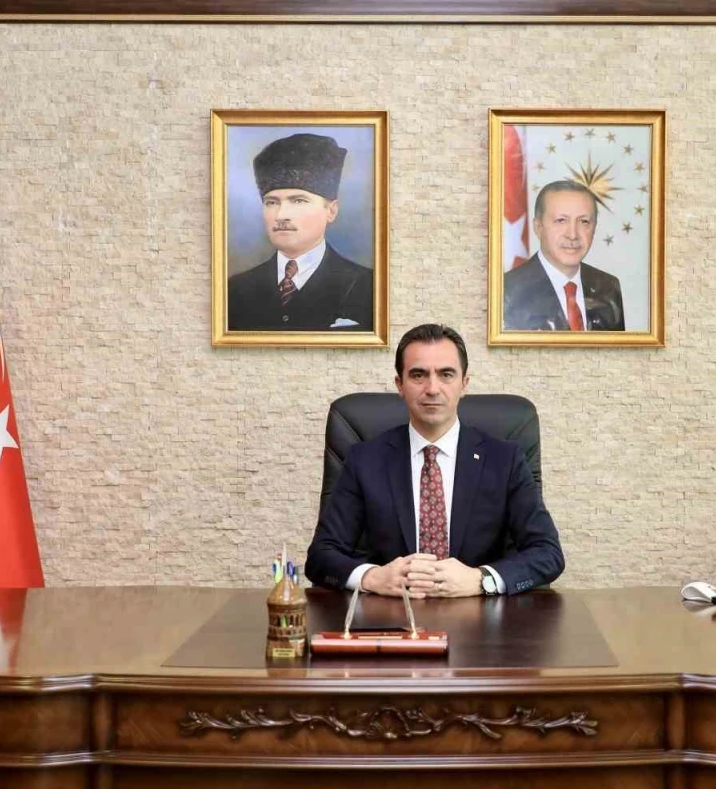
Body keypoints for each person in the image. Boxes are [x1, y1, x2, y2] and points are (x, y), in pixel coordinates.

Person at [305, 324, 565, 597]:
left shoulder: (505, 460)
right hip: (391, 614)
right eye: (418, 375)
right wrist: (372, 577)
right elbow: (321, 556)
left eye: (446, 374)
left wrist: (481, 579)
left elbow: (547, 553)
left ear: (464, 384)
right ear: (400, 385)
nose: (432, 388)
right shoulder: (364, 460)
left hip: (480, 615)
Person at [227, 133, 373, 332]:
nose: (281, 215)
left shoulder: (367, 286)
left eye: (298, 201)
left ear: (331, 211)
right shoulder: (235, 290)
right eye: (272, 202)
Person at [502, 180, 625, 332]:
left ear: (594, 228)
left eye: (584, 221)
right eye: (561, 221)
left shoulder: (609, 288)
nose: (573, 235)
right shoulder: (508, 292)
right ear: (538, 227)